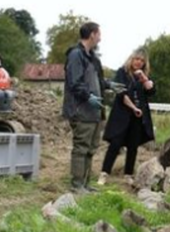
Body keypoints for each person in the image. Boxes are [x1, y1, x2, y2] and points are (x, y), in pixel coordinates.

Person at [62, 22, 116, 193]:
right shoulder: (76, 55)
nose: (100, 37)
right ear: (92, 34)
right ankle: (77, 185)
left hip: (94, 112)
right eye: (99, 34)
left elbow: (98, 81)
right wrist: (88, 96)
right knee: (81, 148)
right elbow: (74, 82)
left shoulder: (93, 57)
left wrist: (109, 84)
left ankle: (85, 184)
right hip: (81, 110)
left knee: (91, 149)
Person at [98, 49, 156, 185]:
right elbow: (121, 94)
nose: (139, 63)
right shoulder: (122, 73)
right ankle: (104, 173)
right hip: (122, 114)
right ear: (131, 59)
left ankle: (128, 174)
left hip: (138, 117)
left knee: (133, 145)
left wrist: (144, 79)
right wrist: (134, 108)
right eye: (137, 59)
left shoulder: (143, 76)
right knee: (115, 144)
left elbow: (151, 91)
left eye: (142, 61)